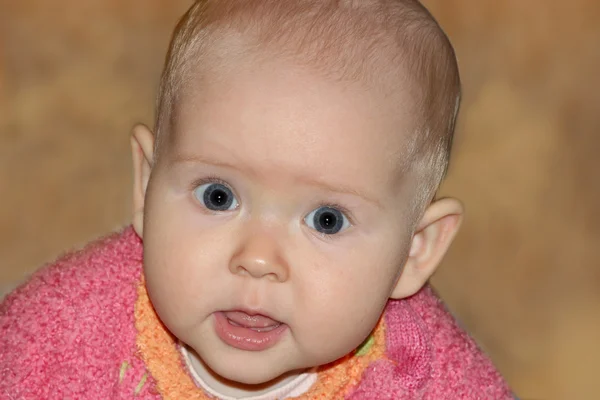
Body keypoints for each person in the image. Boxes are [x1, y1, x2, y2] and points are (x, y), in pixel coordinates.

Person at [0, 0, 516, 398]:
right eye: (219, 196)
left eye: (327, 220)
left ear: (414, 250)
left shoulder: (430, 375)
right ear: (146, 185)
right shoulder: (52, 337)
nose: (258, 259)